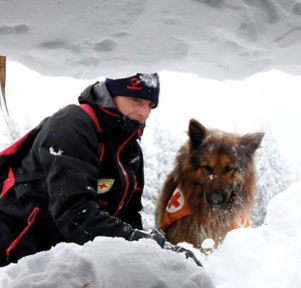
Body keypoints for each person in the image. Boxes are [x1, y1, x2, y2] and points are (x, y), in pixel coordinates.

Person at [0, 73, 201, 267]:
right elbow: (74, 213)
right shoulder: (71, 124)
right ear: (111, 94)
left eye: (150, 105)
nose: (144, 113)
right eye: (136, 100)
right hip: (13, 256)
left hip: (61, 264)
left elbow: (129, 218)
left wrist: (151, 255)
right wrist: (150, 247)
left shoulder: (130, 151)